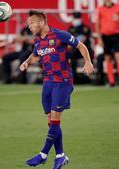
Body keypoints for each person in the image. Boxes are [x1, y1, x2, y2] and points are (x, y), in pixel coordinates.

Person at [19, 10, 94, 169]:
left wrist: (87, 62)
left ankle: (43, 154)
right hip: (48, 83)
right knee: (51, 122)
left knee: (55, 119)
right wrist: (27, 62)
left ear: (41, 22)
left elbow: (81, 46)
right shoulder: (38, 41)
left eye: (31, 23)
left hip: (62, 81)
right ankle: (60, 156)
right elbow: (35, 56)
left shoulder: (60, 35)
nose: (29, 27)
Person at [95, 0, 119, 86]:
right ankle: (111, 81)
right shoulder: (100, 9)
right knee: (108, 58)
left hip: (116, 35)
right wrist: (99, 38)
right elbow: (97, 25)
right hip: (105, 36)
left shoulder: (118, 7)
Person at [67, 12, 93, 83]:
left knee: (89, 54)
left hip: (85, 50)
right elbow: (68, 41)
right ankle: (72, 77)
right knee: (70, 55)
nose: (76, 20)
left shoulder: (85, 28)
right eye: (75, 18)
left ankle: (90, 76)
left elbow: (82, 40)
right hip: (74, 50)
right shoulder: (70, 28)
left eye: (77, 18)